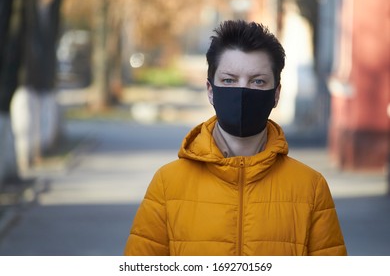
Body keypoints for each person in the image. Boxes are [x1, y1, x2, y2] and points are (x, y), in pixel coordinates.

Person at [124, 20, 347, 256]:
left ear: (276, 94)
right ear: (211, 90)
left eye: (257, 81)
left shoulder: (310, 188)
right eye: (229, 80)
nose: (242, 92)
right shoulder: (168, 184)